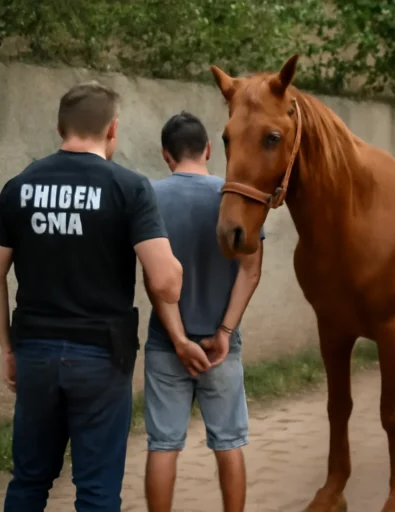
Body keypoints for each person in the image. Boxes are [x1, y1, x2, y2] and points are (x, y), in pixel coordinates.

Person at [0, 81, 183, 511]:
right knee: (96, 489)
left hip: (33, 350)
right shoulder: (130, 188)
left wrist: (6, 347)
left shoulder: (19, 185)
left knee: (29, 480)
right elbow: (166, 283)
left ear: (60, 127)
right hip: (101, 357)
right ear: (113, 130)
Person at [143, 112, 264, 512]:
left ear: (166, 155)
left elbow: (153, 277)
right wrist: (226, 332)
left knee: (163, 445)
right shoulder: (233, 199)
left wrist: (178, 339)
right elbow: (251, 269)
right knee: (229, 443)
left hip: (166, 342)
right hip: (220, 346)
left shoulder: (149, 199)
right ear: (209, 149)